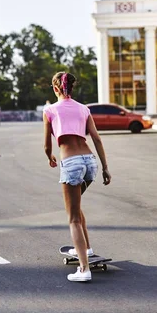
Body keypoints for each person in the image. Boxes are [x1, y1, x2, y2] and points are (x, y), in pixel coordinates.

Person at [43, 72, 111, 282]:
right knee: (76, 206)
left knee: (72, 218)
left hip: (71, 164)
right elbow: (97, 139)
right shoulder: (84, 109)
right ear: (72, 89)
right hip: (90, 162)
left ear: (56, 89)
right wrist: (106, 168)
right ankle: (86, 249)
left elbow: (47, 145)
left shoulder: (50, 110)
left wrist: (50, 157)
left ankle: (84, 269)